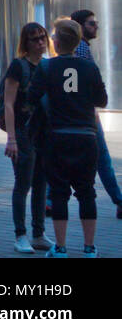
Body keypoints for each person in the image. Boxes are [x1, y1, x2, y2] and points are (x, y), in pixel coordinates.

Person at [30, 17, 108, 257]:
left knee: (60, 192)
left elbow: (32, 97)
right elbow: (101, 100)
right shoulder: (89, 67)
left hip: (57, 137)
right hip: (86, 136)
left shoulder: (46, 67)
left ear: (57, 42)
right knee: (87, 192)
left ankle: (61, 247)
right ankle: (89, 247)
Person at [68, 9, 122, 219]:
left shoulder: (79, 49)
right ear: (80, 28)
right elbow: (86, 85)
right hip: (86, 114)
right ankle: (119, 200)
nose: (96, 26)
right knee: (102, 158)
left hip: (77, 113)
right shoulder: (81, 50)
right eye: (92, 23)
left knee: (64, 158)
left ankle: (49, 200)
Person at [3, 21, 52, 253]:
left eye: (43, 37)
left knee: (41, 184)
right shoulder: (18, 66)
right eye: (35, 39)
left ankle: (39, 233)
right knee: (23, 184)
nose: (41, 42)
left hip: (43, 133)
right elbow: (9, 104)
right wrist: (11, 138)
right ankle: (20, 234)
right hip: (23, 132)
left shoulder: (47, 65)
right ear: (26, 42)